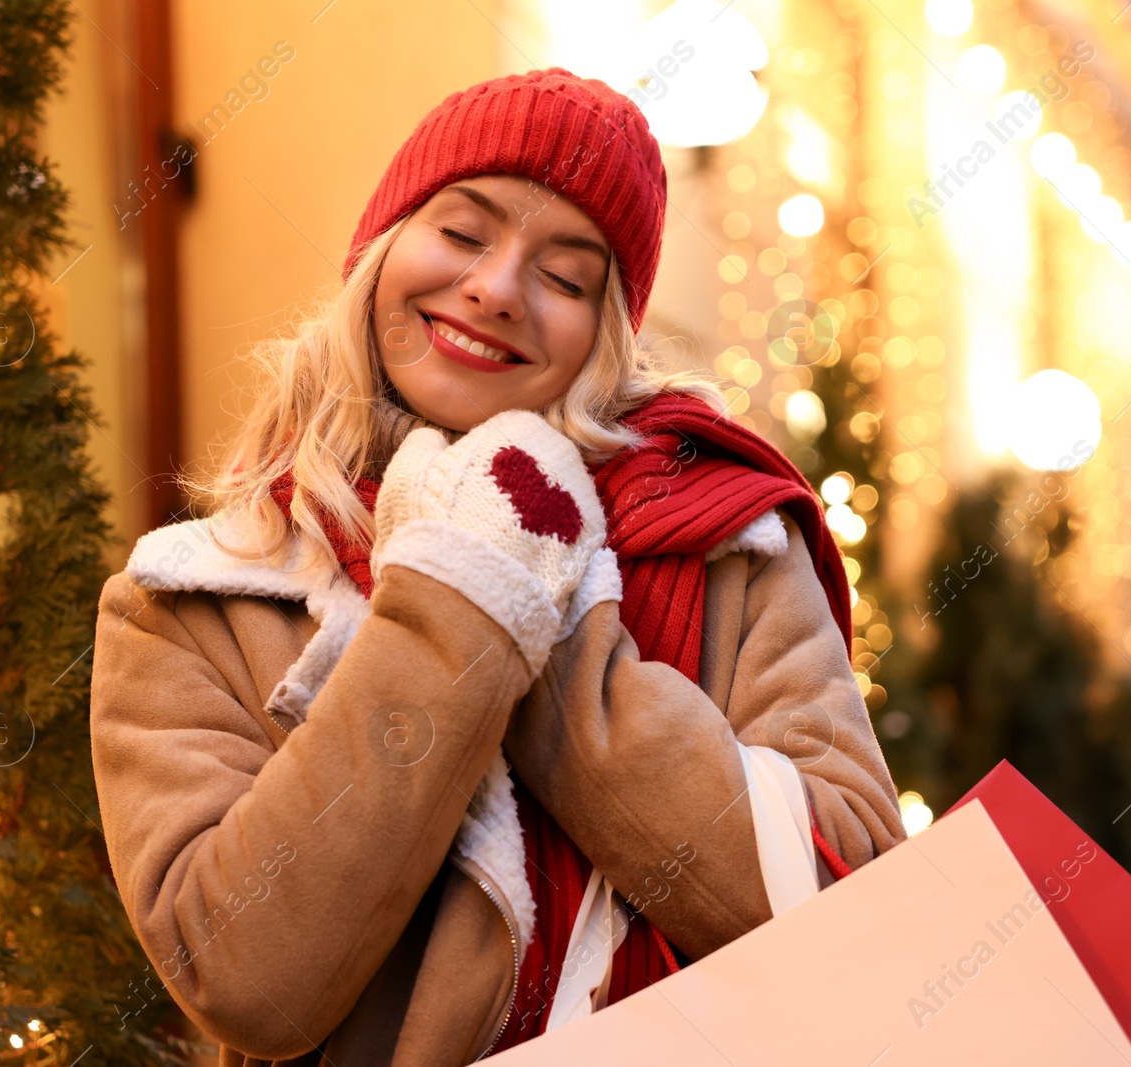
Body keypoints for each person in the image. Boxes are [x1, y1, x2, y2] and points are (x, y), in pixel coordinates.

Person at [88, 66, 906, 1066]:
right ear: (383, 247)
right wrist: (468, 591)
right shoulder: (193, 599)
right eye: (461, 233)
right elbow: (251, 977)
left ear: (603, 337)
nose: (496, 288)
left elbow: (847, 899)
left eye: (566, 277)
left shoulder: (727, 539)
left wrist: (555, 625)